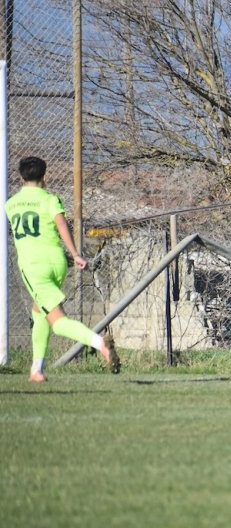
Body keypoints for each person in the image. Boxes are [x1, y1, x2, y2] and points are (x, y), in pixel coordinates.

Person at [5, 156, 119, 382]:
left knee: (57, 322)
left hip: (33, 266)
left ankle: (99, 343)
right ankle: (36, 370)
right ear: (44, 177)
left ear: (20, 177)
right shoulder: (50, 199)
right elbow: (61, 225)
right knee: (40, 313)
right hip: (56, 262)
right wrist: (75, 254)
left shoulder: (10, 204)